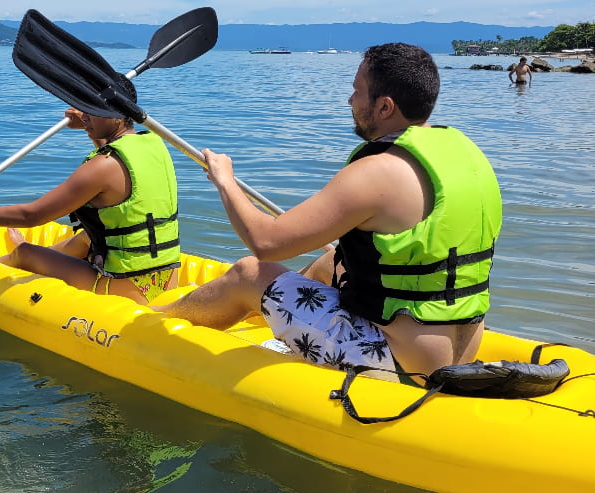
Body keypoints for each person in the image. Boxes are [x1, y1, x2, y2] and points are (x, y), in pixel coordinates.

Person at [154, 44, 502, 385]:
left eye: (357, 91)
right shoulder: (468, 157)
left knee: (248, 273)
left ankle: (150, 323)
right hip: (459, 351)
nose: (350, 101)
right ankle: (278, 326)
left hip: (398, 362)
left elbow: (266, 242)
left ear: (384, 106)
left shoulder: (378, 171)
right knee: (332, 260)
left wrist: (225, 180)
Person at [0, 108, 180, 303]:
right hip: (167, 278)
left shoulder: (103, 166)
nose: (85, 115)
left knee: (26, 252)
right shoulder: (154, 144)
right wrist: (90, 124)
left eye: (91, 109)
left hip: (123, 288)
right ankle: (39, 256)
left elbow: (32, 215)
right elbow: (114, 168)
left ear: (117, 115)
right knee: (87, 238)